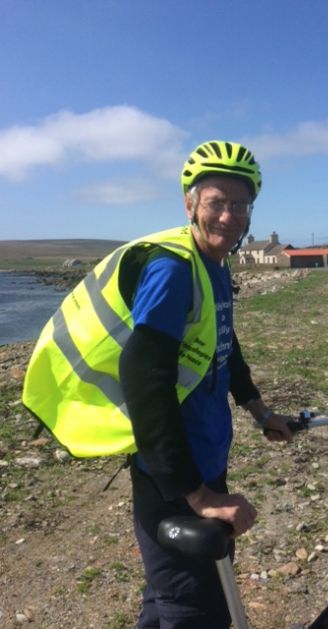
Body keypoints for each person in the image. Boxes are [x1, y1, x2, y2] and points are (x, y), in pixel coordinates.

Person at [22, 139, 294, 628]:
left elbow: (222, 344)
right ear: (189, 203)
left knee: (176, 600)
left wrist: (258, 410)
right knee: (194, 610)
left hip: (202, 456)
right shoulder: (172, 269)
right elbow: (146, 381)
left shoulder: (213, 261)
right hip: (171, 473)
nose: (230, 217)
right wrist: (199, 496)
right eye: (217, 203)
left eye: (241, 205)